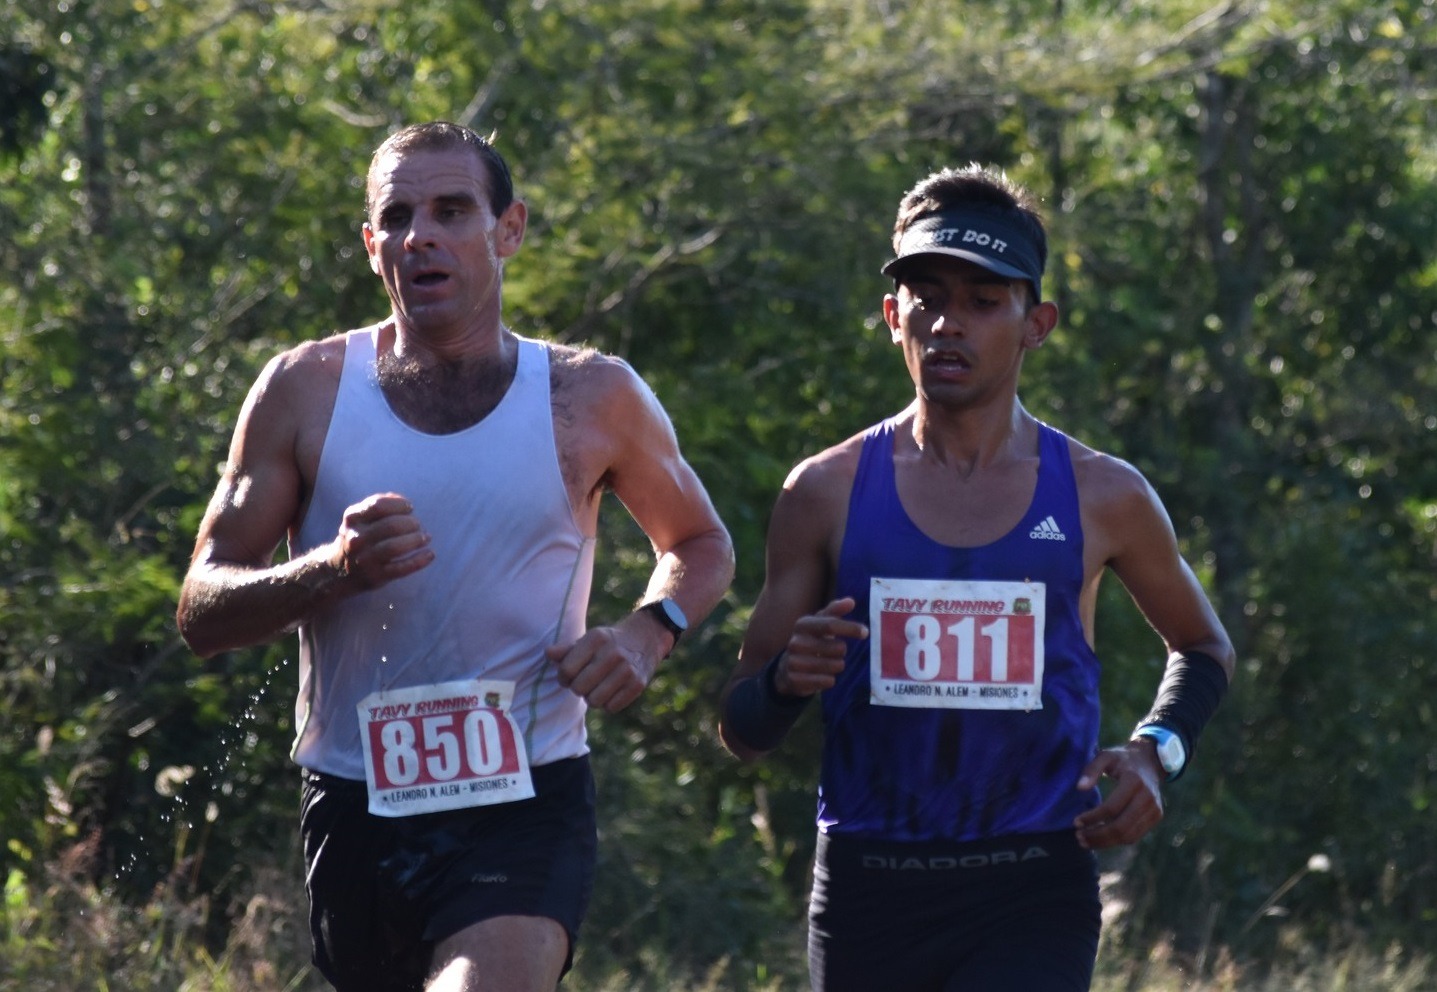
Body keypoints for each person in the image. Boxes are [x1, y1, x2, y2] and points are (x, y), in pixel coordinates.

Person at [177, 121, 735, 992]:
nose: (420, 237)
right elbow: (201, 611)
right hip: (355, 797)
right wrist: (331, 569)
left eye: (449, 211)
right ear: (371, 248)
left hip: (524, 798)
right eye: (396, 218)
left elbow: (700, 544)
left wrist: (645, 632)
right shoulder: (304, 390)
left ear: (508, 229)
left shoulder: (589, 394)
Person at [719, 164, 1234, 991]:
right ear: (892, 317)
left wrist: (1152, 752)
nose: (947, 323)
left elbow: (1203, 647)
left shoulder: (1104, 493)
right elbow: (741, 729)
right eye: (925, 297)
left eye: (982, 301)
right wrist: (783, 681)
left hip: (1032, 880)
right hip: (867, 881)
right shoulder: (824, 491)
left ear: (1036, 324)